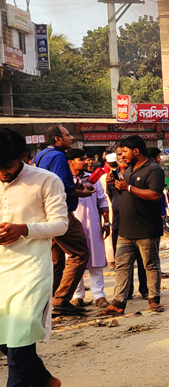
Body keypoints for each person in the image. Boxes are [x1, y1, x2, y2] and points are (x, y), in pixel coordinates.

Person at [0, 129, 71, 387]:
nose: (2, 173)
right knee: (7, 341)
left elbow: (60, 225)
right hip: (1, 271)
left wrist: (25, 229)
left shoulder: (45, 180)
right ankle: (46, 384)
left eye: (6, 166)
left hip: (31, 272)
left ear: (20, 158)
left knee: (18, 347)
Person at [32, 125, 92, 315]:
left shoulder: (40, 155)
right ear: (58, 139)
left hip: (45, 212)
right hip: (61, 211)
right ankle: (61, 299)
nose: (71, 138)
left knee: (57, 260)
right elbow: (61, 186)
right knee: (79, 253)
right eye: (67, 135)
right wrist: (82, 192)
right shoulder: (58, 156)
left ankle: (47, 301)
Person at [107, 135, 165, 315]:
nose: (122, 156)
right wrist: (116, 186)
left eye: (125, 151)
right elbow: (126, 193)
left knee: (150, 265)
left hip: (146, 228)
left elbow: (155, 195)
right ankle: (118, 303)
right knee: (122, 266)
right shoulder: (129, 169)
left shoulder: (153, 170)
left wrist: (128, 187)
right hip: (126, 229)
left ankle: (153, 300)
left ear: (136, 151)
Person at [66, 149, 110, 309]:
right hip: (71, 225)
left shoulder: (93, 178)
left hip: (93, 224)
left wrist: (106, 222)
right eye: (81, 159)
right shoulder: (64, 181)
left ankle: (99, 295)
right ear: (70, 161)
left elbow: (102, 200)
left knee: (96, 261)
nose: (86, 162)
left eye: (86, 159)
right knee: (74, 261)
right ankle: (78, 296)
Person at [105, 149, 149, 304]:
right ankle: (127, 291)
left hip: (139, 221)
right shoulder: (111, 176)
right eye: (119, 156)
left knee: (144, 260)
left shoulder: (138, 173)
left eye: (124, 156)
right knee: (123, 261)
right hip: (119, 222)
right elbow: (112, 198)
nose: (122, 159)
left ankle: (146, 290)